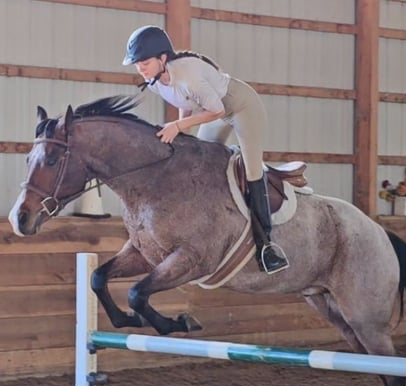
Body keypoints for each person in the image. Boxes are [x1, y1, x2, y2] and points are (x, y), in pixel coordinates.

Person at [122, 25, 289, 275]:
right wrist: (183, 134)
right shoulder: (155, 81)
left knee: (253, 170)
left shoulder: (188, 75)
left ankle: (267, 246)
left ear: (163, 58)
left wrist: (178, 125)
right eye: (137, 63)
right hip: (213, 110)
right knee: (201, 160)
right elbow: (185, 103)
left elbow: (219, 111)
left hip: (241, 107)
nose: (140, 67)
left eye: (144, 61)